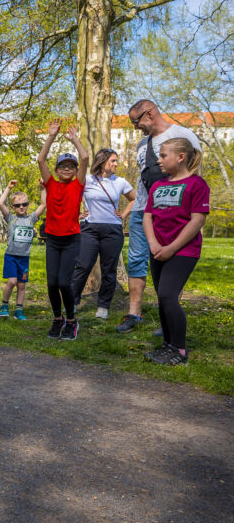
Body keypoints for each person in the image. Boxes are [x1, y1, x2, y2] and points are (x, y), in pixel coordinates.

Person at [116, 100, 202, 334]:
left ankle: (169, 315)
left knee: (172, 259)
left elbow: (194, 173)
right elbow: (144, 176)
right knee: (136, 259)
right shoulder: (142, 144)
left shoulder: (183, 135)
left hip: (173, 210)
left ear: (150, 113)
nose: (135, 128)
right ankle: (134, 313)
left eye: (136, 122)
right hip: (142, 209)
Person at [143, 138, 209, 365]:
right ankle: (167, 346)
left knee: (168, 295)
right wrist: (153, 244)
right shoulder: (157, 185)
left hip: (183, 251)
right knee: (162, 299)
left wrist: (172, 248)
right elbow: (148, 216)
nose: (159, 160)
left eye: (163, 156)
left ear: (180, 157)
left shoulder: (197, 184)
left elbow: (197, 220)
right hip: (157, 250)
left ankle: (179, 350)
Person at [37, 119, 90, 340]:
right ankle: (57, 319)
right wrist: (51, 136)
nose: (67, 169)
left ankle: (71, 321)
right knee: (51, 283)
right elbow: (41, 159)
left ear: (76, 171)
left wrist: (74, 139)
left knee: (64, 282)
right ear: (57, 170)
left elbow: (85, 157)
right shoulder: (51, 184)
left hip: (71, 239)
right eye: (63, 166)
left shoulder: (78, 185)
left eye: (71, 166)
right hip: (52, 239)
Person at [70, 148, 136, 319]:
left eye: (116, 161)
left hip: (113, 230)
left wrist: (124, 214)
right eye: (113, 161)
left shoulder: (120, 182)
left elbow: (135, 199)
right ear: (102, 161)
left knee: (109, 270)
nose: (116, 164)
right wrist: (77, 215)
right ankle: (73, 302)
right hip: (89, 228)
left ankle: (103, 307)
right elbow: (71, 196)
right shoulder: (87, 179)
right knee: (83, 265)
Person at [0, 180, 47, 320]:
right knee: (12, 282)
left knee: (22, 285)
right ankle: (4, 305)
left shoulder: (31, 219)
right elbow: (0, 204)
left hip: (24, 258)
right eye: (18, 205)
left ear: (28, 205)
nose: (21, 207)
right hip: (11, 256)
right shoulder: (11, 218)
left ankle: (19, 309)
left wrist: (42, 188)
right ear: (13, 207)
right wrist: (8, 188)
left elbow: (44, 204)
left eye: (24, 204)